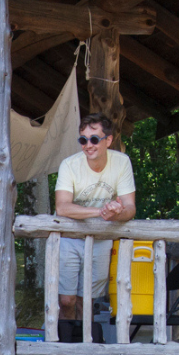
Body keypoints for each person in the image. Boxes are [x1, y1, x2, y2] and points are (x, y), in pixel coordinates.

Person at [54, 113, 136, 322]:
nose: (88, 145)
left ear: (108, 140)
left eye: (94, 139)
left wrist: (117, 212)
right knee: (66, 300)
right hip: (69, 238)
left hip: (101, 238)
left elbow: (130, 208)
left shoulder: (122, 162)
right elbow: (62, 207)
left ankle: (84, 341)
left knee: (87, 301)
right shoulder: (69, 165)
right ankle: (65, 340)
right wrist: (102, 212)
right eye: (83, 140)